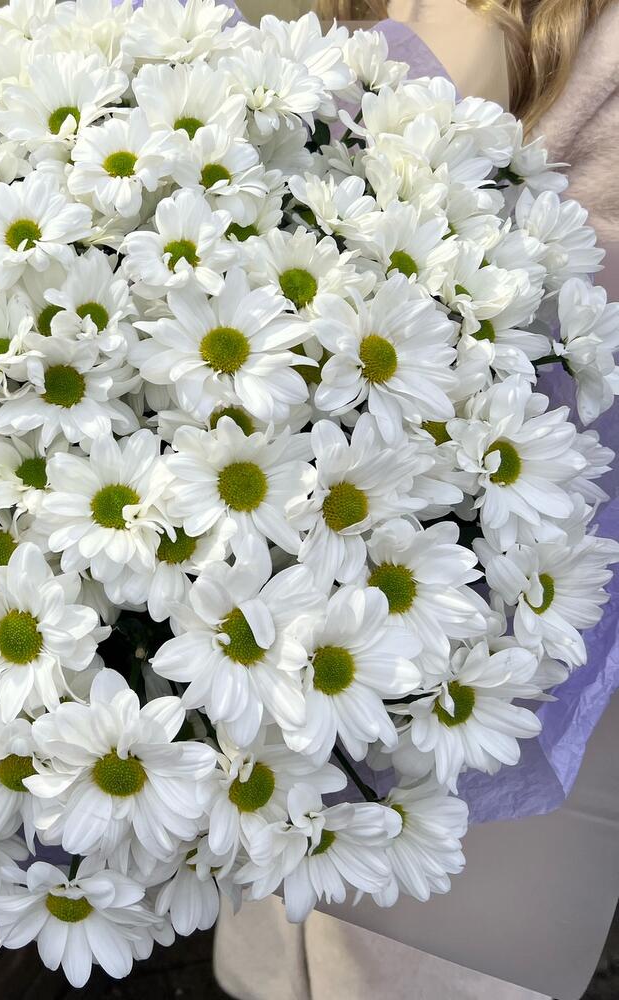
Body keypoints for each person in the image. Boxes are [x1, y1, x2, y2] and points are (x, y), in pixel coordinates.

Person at [214, 1, 619, 997]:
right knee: (274, 945)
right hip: (281, 616)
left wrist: (449, 70)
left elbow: (578, 314)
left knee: (430, 959)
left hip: (511, 635)